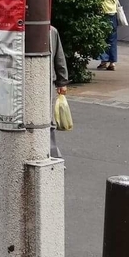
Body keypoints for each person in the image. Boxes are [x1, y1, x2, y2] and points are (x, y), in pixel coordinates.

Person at [51, 24, 69, 159]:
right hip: (48, 80)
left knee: (48, 117)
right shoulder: (52, 31)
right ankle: (52, 151)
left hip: (47, 81)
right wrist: (62, 81)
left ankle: (52, 150)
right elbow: (60, 58)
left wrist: (62, 81)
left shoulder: (52, 31)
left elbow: (59, 56)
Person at [98, 0, 124, 71]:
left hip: (105, 19)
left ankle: (103, 61)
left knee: (103, 40)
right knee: (112, 41)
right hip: (114, 19)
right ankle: (112, 63)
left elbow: (99, 8)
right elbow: (118, 7)